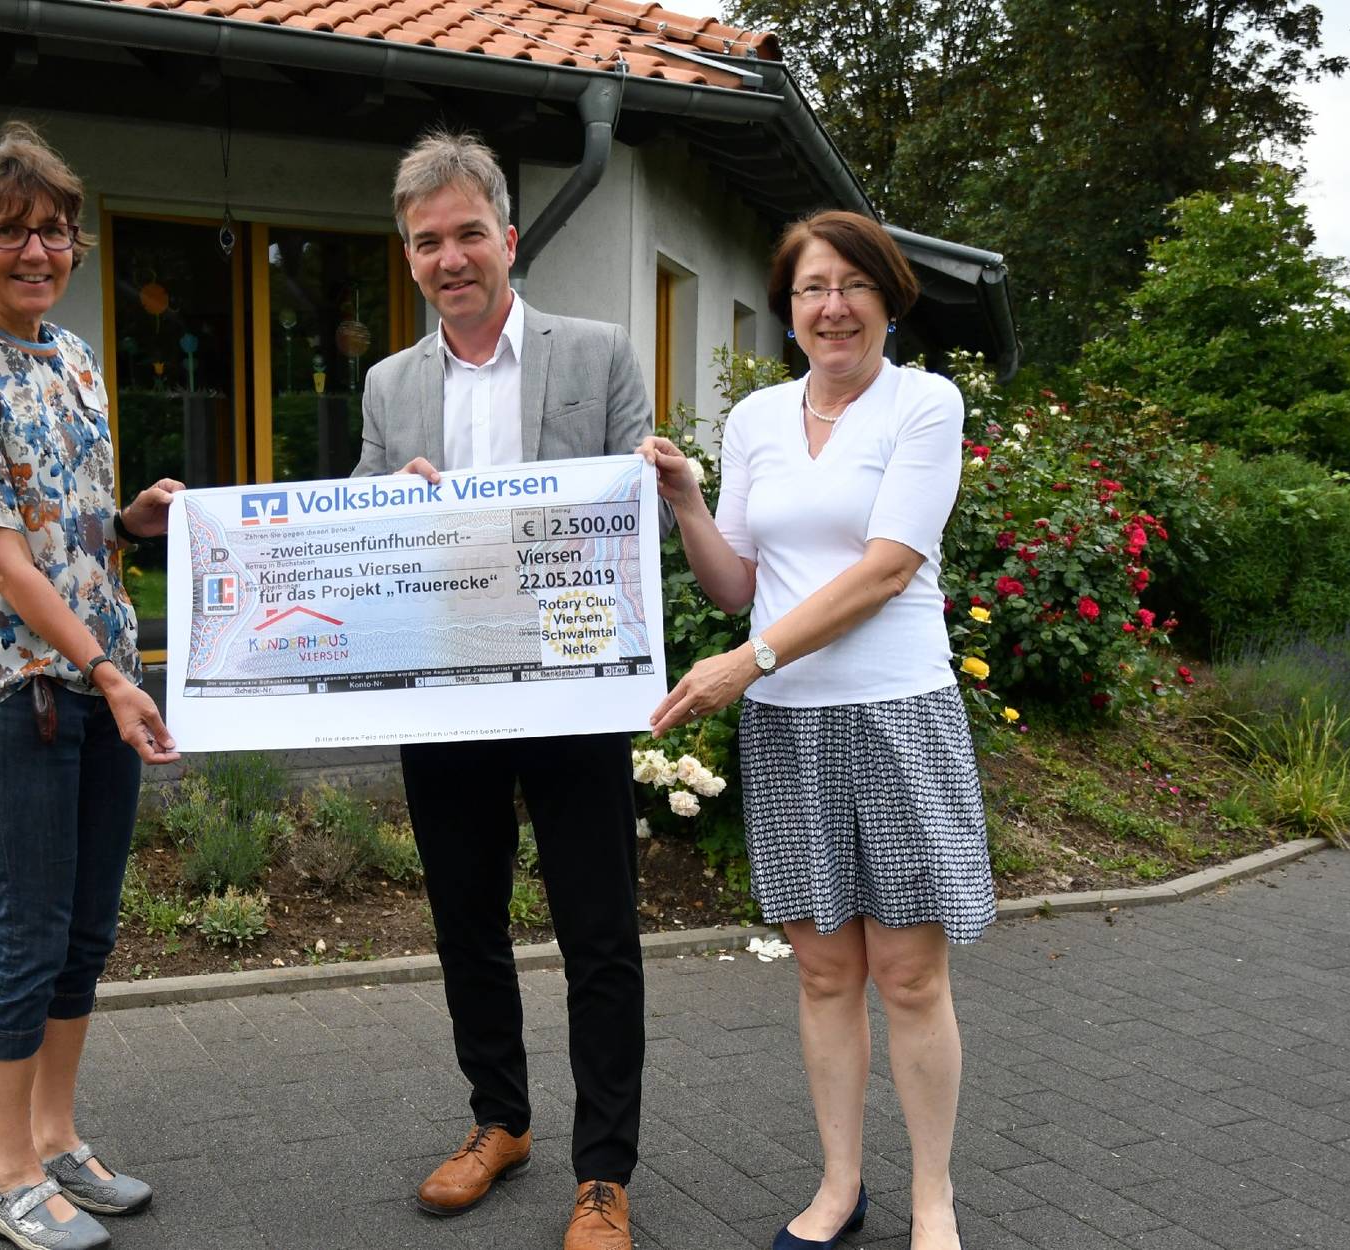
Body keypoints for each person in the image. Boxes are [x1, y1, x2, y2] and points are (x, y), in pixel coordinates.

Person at [638, 210, 994, 1250]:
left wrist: (746, 662)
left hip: (896, 713)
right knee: (825, 969)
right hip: (791, 725)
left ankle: (934, 1195)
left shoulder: (924, 403)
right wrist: (693, 503)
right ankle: (841, 1185)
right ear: (788, 309)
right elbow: (736, 580)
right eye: (809, 288)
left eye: (850, 285)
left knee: (911, 972)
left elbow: (888, 568)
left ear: (887, 296)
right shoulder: (754, 419)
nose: (830, 306)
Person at [353, 130, 652, 1250]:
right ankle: (500, 1121)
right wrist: (390, 501)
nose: (449, 257)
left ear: (508, 238)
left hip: (571, 687)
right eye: (426, 242)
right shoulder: (390, 384)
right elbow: (358, 530)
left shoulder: (597, 353)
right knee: (465, 921)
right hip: (444, 693)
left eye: (468, 232)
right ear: (410, 257)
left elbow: (635, 513)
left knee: (599, 932)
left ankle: (604, 1174)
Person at [0, 121, 183, 1250]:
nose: (38, 248)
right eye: (10, 230)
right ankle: (6, 1174)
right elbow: (0, 555)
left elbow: (64, 534)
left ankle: (59, 1139)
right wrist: (111, 670)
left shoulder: (71, 358)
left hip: (97, 682)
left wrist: (127, 525)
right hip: (20, 694)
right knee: (27, 934)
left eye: (56, 230)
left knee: (87, 933)